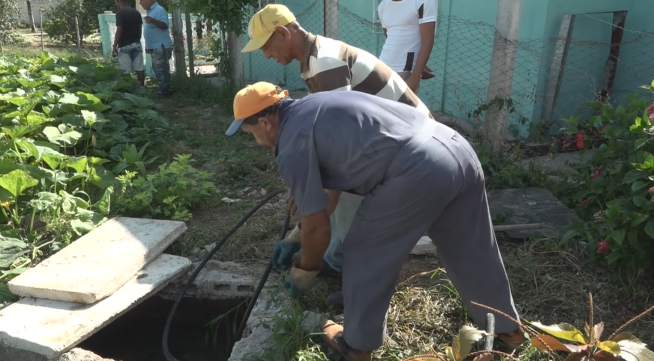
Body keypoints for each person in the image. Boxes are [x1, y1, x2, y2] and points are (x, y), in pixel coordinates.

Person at [225, 81, 526, 361]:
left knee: (364, 251)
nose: (255, 140)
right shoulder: (314, 107)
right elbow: (328, 194)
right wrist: (296, 236)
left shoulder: (290, 144)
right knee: (470, 246)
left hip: (416, 168)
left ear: (265, 122)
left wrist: (306, 269)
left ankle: (355, 346)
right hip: (454, 147)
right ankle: (508, 329)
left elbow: (319, 226)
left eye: (250, 132)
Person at [240, 4, 436, 304]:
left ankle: (363, 286)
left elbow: (340, 144)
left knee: (350, 199)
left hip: (411, 146)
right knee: (334, 191)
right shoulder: (314, 59)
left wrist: (309, 216)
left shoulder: (325, 64)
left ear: (282, 33)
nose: (267, 55)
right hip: (393, 139)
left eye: (266, 46)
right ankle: (337, 259)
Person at [377, 0, 437, 92]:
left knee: (399, 106)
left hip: (405, 70)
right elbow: (390, 35)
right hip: (382, 65)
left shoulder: (423, 2)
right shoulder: (383, 5)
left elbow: (428, 40)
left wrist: (416, 75)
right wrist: (419, 63)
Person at [139, 0, 173, 97]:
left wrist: (153, 20)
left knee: (160, 69)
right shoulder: (150, 11)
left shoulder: (159, 10)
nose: (141, 3)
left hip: (160, 46)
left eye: (142, 1)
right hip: (155, 46)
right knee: (161, 68)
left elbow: (165, 25)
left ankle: (165, 90)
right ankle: (166, 88)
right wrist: (148, 45)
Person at [112, 0, 145, 86]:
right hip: (136, 43)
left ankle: (127, 91)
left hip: (124, 45)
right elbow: (140, 28)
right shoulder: (136, 12)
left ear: (117, 1)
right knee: (140, 69)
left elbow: (119, 30)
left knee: (125, 71)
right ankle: (142, 88)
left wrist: (114, 46)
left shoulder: (120, 13)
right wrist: (137, 39)